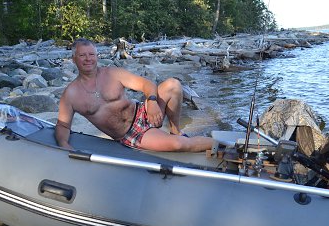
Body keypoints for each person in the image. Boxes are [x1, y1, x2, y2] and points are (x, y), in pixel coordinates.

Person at [55, 38, 214, 152]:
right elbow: (63, 125)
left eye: (91, 54)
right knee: (179, 145)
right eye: (82, 55)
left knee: (173, 84)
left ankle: (175, 130)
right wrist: (64, 145)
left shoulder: (112, 73)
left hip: (143, 112)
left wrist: (152, 102)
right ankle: (222, 145)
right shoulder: (71, 94)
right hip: (131, 133)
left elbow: (146, 84)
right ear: (74, 59)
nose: (88, 59)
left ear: (97, 56)